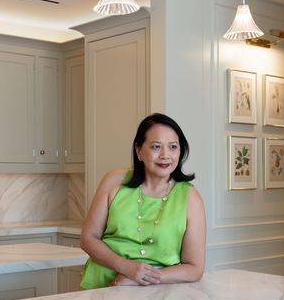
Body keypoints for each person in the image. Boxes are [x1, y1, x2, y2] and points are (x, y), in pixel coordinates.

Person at [80, 113, 206, 289]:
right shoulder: (113, 181)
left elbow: (194, 268)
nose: (165, 155)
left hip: (159, 294)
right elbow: (88, 238)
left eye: (173, 147)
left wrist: (142, 277)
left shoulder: (191, 198)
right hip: (102, 287)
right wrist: (125, 267)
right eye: (156, 147)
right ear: (139, 151)